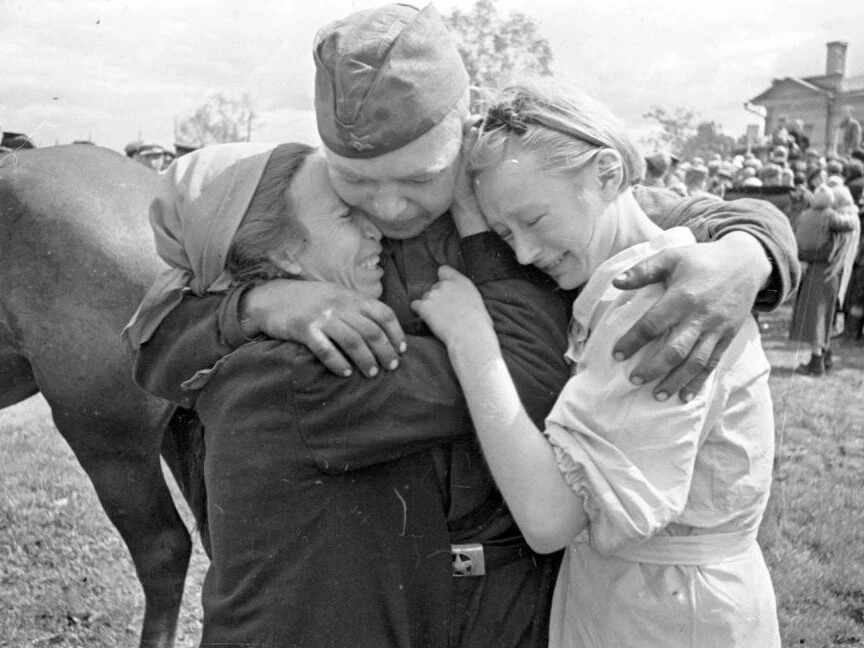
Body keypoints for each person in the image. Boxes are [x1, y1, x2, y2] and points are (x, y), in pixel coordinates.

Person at [129, 4, 799, 645]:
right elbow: (156, 335)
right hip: (383, 587)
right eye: (357, 186)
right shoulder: (318, 239)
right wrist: (258, 306)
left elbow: (668, 218)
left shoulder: (526, 193)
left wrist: (749, 254)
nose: (388, 208)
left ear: (466, 126)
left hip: (518, 587)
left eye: (421, 178)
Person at [125, 141, 567, 646]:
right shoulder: (311, 368)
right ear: (285, 254)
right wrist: (469, 213)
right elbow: (522, 372)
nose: (379, 220)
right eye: (347, 215)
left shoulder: (276, 349)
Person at [413, 77, 781, 647]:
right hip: (638, 595)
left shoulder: (655, 303)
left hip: (666, 614)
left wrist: (471, 340)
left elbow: (549, 519)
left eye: (534, 220)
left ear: (607, 173)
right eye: (506, 233)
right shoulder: (620, 277)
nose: (526, 253)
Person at [791, 184, 859, 375]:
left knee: (819, 316)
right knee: (820, 317)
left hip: (810, 269)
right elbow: (850, 226)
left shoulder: (804, 216)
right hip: (825, 272)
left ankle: (822, 358)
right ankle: (818, 362)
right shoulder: (831, 218)